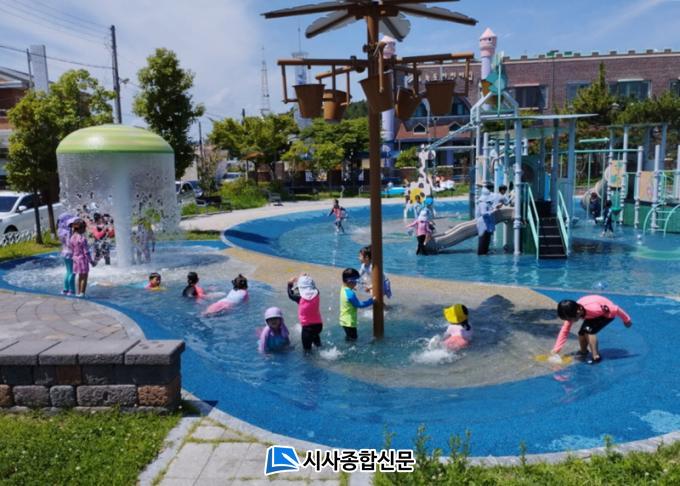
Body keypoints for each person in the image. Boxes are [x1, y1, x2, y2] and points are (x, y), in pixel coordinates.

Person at [552, 295, 632, 364]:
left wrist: (627, 320)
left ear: (578, 311)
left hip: (606, 315)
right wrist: (556, 349)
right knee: (581, 333)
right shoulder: (573, 312)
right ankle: (583, 351)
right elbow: (564, 331)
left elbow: (615, 309)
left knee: (589, 331)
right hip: (592, 315)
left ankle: (596, 356)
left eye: (570, 319)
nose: (569, 321)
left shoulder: (594, 309)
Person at [287, 273, 323, 354]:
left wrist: (289, 284)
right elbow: (313, 286)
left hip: (307, 328)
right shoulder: (317, 293)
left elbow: (290, 294)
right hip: (318, 325)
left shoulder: (299, 298)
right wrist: (307, 277)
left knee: (307, 351)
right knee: (317, 344)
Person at [339, 268, 374, 341]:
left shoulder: (343, 289)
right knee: (354, 339)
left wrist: (352, 288)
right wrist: (371, 301)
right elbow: (359, 304)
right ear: (350, 281)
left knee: (349, 337)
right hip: (349, 322)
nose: (356, 284)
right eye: (356, 282)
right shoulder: (350, 294)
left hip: (343, 320)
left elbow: (348, 291)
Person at [70, 218, 95, 297]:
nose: (85, 229)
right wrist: (91, 261)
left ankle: (78, 293)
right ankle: (82, 293)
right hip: (82, 260)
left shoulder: (72, 238)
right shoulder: (82, 238)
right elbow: (86, 252)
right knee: (84, 277)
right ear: (81, 228)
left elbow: (72, 249)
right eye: (84, 228)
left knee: (80, 276)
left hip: (75, 259)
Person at [57, 213, 76, 296]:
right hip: (71, 253)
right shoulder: (68, 232)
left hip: (64, 252)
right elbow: (69, 243)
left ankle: (65, 289)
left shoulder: (60, 230)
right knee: (72, 272)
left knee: (68, 271)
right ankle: (72, 290)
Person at [476, 187, 495, 255]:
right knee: (483, 238)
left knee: (486, 238)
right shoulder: (483, 203)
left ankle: (485, 251)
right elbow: (483, 213)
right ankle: (482, 252)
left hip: (486, 223)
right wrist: (491, 212)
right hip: (483, 223)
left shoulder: (486, 203)